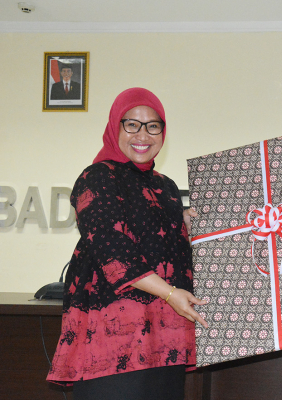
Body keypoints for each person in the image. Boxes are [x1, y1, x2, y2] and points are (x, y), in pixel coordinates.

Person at [47, 87, 208, 400]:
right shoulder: (97, 177)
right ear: (114, 127)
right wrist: (171, 293)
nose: (143, 135)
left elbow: (164, 251)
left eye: (153, 126)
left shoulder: (166, 187)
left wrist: (185, 227)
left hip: (166, 337)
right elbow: (112, 249)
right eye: (132, 124)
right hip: (114, 339)